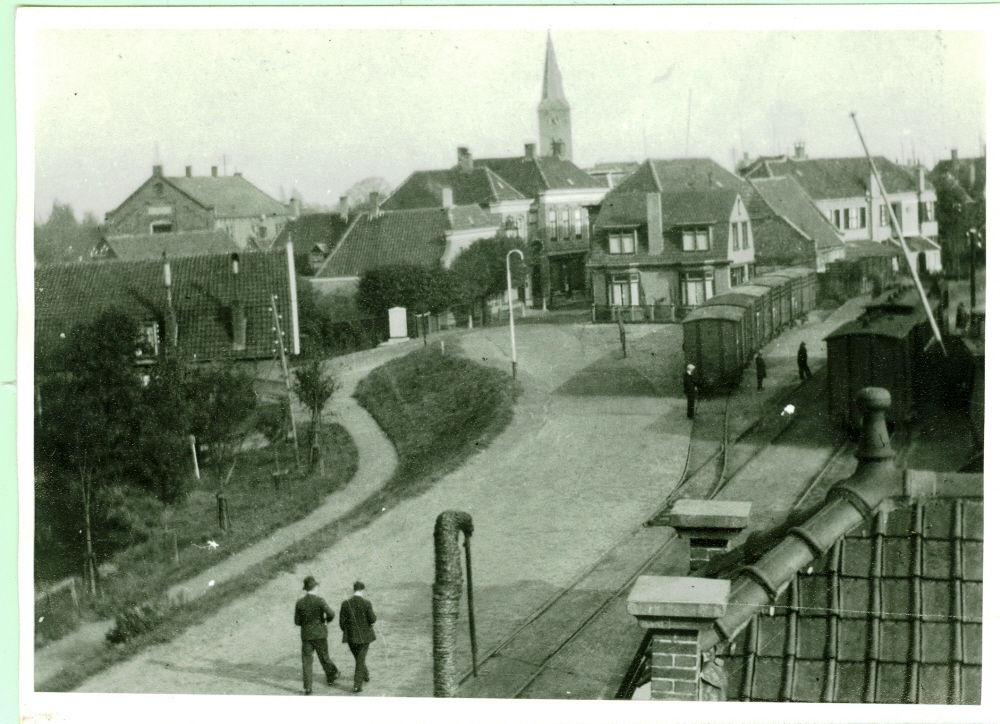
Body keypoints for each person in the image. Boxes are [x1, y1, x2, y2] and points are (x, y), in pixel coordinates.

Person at [294, 575, 339, 695]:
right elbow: (332, 614)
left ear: (305, 588)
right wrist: (326, 621)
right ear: (315, 587)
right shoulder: (320, 600)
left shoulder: (300, 603)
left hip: (307, 636)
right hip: (320, 634)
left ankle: (308, 688)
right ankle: (333, 674)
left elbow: (297, 622)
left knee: (307, 661)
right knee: (324, 657)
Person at [340, 581, 378, 693]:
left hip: (351, 637)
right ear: (363, 590)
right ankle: (357, 685)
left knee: (359, 658)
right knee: (360, 659)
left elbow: (342, 623)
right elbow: (373, 619)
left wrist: (348, 631)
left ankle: (365, 675)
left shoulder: (345, 603)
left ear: (354, 589)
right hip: (365, 637)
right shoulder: (367, 603)